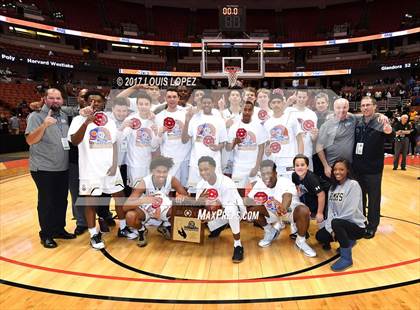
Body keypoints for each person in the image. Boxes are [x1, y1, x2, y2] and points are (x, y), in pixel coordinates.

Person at [68, 91, 137, 250]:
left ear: (103, 103)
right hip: (90, 169)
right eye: (91, 100)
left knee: (119, 198)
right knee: (91, 202)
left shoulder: (109, 121)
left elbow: (113, 143)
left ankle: (123, 228)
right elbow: (75, 141)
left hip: (110, 168)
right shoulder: (78, 119)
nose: (95, 103)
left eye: (98, 101)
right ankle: (93, 234)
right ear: (85, 102)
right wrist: (86, 122)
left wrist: (114, 165)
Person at [25, 88, 75, 248]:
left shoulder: (63, 115)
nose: (55, 101)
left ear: (62, 100)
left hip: (62, 167)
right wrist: (44, 125)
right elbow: (30, 140)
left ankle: (59, 229)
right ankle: (46, 234)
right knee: (47, 202)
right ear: (44, 99)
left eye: (58, 98)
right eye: (51, 98)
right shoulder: (36, 116)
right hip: (43, 168)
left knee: (61, 200)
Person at [123, 156, 189, 247]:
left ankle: (165, 225)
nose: (162, 175)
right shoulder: (145, 182)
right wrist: (144, 200)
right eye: (158, 171)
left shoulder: (172, 179)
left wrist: (182, 196)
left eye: (164, 172)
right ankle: (141, 230)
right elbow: (125, 206)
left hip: (164, 209)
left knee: (180, 209)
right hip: (147, 210)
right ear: (153, 171)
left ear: (168, 171)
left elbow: (186, 197)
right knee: (130, 216)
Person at [353, 96, 393, 239]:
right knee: (360, 198)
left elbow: (390, 135)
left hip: (373, 169)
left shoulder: (381, 121)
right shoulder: (357, 121)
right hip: (358, 168)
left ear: (375, 106)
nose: (365, 108)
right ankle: (362, 222)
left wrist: (388, 129)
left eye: (368, 105)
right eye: (363, 105)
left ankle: (372, 226)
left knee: (374, 199)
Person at [315, 159, 366, 271]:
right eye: (335, 170)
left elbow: (350, 211)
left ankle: (347, 258)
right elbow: (330, 211)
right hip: (338, 224)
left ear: (347, 170)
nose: (337, 172)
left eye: (341, 169)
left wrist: (334, 225)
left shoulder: (353, 185)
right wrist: (330, 228)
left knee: (337, 223)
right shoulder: (333, 188)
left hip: (356, 227)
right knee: (320, 236)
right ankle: (348, 241)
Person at [196, 156, 246, 263]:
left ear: (214, 168)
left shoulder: (226, 182)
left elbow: (229, 206)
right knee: (201, 215)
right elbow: (198, 206)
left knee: (230, 211)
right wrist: (200, 201)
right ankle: (218, 226)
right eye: (201, 170)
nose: (203, 172)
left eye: (206, 169)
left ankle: (238, 245)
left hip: (236, 211)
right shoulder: (201, 184)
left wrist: (212, 215)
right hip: (218, 212)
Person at [181, 94, 227, 193]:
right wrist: (187, 120)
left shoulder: (219, 120)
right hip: (196, 162)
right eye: (204, 103)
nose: (206, 105)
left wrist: (218, 146)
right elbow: (184, 140)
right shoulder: (194, 118)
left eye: (209, 103)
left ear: (213, 104)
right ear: (201, 104)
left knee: (214, 192)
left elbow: (223, 142)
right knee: (194, 192)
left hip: (213, 162)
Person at [227, 101, 267, 193]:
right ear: (241, 109)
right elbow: (228, 148)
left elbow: (261, 148)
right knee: (238, 194)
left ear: (253, 111)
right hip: (238, 167)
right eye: (245, 109)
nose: (247, 112)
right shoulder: (234, 127)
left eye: (249, 110)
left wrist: (257, 167)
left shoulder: (258, 127)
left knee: (258, 194)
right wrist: (235, 142)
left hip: (253, 166)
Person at [120, 92, 159, 188]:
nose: (143, 107)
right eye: (141, 104)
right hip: (134, 163)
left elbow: (154, 146)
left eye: (146, 104)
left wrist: (155, 133)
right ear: (137, 105)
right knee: (135, 190)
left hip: (147, 163)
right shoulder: (131, 119)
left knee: (146, 190)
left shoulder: (154, 120)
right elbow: (121, 139)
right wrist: (123, 127)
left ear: (150, 105)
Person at [243, 160, 285, 247]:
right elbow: (247, 199)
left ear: (275, 173)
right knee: (250, 210)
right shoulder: (260, 182)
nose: (266, 176)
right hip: (267, 211)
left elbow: (282, 205)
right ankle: (270, 231)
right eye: (263, 173)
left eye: (269, 173)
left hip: (281, 213)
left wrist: (261, 202)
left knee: (256, 208)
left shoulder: (283, 182)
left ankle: (278, 225)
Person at [155, 87, 191, 188]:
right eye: (169, 97)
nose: (172, 99)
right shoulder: (159, 117)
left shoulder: (185, 113)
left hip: (185, 157)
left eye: (174, 97)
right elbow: (157, 142)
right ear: (165, 99)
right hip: (168, 158)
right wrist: (161, 132)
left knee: (184, 189)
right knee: (169, 189)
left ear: (178, 98)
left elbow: (190, 136)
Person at [264, 90, 304, 178]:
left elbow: (300, 139)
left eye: (278, 102)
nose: (276, 104)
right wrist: (267, 150)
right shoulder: (267, 123)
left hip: (290, 161)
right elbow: (267, 144)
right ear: (270, 105)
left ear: (283, 103)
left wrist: (300, 158)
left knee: (291, 189)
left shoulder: (291, 118)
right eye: (273, 102)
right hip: (274, 162)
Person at [316, 98, 356, 179]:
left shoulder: (353, 119)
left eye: (344, 107)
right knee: (334, 191)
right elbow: (319, 147)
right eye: (338, 108)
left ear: (348, 108)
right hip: (332, 167)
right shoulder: (326, 125)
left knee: (349, 191)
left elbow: (367, 116)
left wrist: (380, 115)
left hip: (349, 167)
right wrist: (326, 166)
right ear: (333, 108)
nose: (341, 110)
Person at [286, 89, 318, 170]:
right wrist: (287, 102)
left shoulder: (312, 114)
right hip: (290, 154)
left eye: (304, 97)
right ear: (295, 97)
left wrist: (315, 135)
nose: (301, 99)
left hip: (307, 154)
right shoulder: (288, 111)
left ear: (307, 98)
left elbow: (313, 138)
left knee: (308, 180)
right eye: (299, 97)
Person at [292, 154, 329, 223]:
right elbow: (298, 186)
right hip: (313, 193)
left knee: (321, 217)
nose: (300, 167)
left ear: (307, 167)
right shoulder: (294, 175)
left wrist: (320, 213)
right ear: (294, 167)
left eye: (302, 165)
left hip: (327, 195)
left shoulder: (311, 178)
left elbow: (321, 195)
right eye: (297, 165)